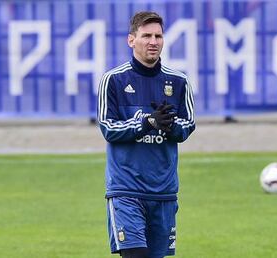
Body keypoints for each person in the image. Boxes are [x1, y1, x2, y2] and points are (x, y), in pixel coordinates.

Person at [97, 11, 195, 258]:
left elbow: (188, 125)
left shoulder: (179, 81)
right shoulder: (114, 80)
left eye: (158, 36)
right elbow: (108, 128)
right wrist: (147, 122)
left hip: (164, 192)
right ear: (131, 40)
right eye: (146, 36)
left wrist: (169, 126)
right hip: (126, 190)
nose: (153, 41)